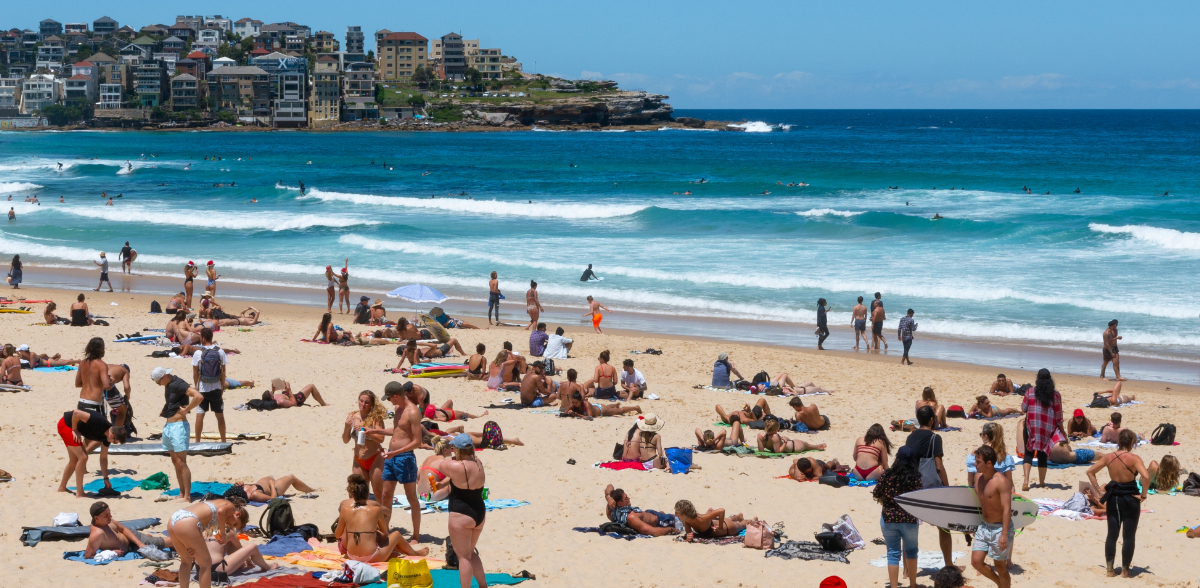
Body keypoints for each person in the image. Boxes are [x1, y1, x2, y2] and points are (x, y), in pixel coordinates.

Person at [1087, 429, 1149, 577]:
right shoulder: (1134, 458)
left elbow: (1090, 471)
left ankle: (1109, 570)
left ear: (1119, 441)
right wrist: (1143, 495)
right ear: (1133, 442)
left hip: (1114, 497)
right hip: (1130, 497)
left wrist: (1099, 491)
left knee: (1112, 534)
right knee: (1128, 536)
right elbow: (1146, 477)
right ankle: (1125, 571)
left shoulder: (1109, 457)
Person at [366, 382, 424, 539]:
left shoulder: (413, 412)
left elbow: (417, 441)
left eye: (390, 398)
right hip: (391, 456)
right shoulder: (398, 409)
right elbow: (397, 430)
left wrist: (396, 452)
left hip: (405, 458)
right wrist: (374, 430)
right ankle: (385, 531)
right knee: (386, 495)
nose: (389, 401)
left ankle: (416, 535)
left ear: (396, 396)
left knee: (411, 497)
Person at [906, 405, 954, 568]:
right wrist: (947, 488)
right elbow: (939, 466)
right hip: (931, 488)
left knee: (910, 531)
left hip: (913, 486)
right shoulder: (935, 438)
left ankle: (906, 570)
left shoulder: (911, 437)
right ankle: (948, 565)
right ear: (932, 420)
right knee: (944, 528)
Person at [167, 498, 250, 588]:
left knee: (186, 561)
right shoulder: (231, 507)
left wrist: (190, 546)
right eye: (235, 524)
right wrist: (223, 534)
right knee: (206, 564)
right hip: (188, 520)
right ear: (237, 514)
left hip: (174, 519)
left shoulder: (215, 505)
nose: (231, 525)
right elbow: (221, 512)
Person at [872, 446, 922, 588]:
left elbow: (876, 493)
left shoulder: (887, 475)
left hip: (889, 518)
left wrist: (886, 501)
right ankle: (913, 584)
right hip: (909, 519)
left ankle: (894, 586)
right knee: (912, 551)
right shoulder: (915, 478)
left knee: (893, 553)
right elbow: (919, 499)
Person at [444, 434, 488, 587]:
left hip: (461, 514)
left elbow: (439, 464)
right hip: (479, 512)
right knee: (470, 553)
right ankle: (483, 585)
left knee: (463, 558)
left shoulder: (457, 466)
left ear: (457, 449)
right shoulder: (478, 463)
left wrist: (448, 454)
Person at [153, 367, 202, 502]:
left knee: (181, 462)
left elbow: (198, 396)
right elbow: (172, 401)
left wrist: (187, 409)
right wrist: (164, 410)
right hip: (169, 426)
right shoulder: (169, 384)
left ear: (164, 376)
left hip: (179, 427)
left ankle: (187, 496)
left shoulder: (178, 383)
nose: (158, 384)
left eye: (158, 382)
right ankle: (181, 492)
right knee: (175, 461)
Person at [971, 445, 1014, 588]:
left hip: (999, 528)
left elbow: (1007, 509)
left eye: (978, 462)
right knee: (976, 562)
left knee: (1000, 567)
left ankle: (1003, 584)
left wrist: (1004, 534)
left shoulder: (1001, 482)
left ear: (989, 463)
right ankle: (999, 583)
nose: (974, 464)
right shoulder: (978, 478)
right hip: (984, 526)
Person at [57, 409, 122, 497]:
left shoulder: (107, 438)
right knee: (83, 457)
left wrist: (106, 478)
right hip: (66, 425)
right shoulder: (99, 422)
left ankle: (62, 487)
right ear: (112, 435)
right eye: (114, 442)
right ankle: (80, 492)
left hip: (68, 427)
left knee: (74, 460)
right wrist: (75, 429)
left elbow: (103, 458)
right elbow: (76, 413)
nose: (113, 443)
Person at [1020, 368, 1065, 491]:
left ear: (1038, 379)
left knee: (1028, 453)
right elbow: (1058, 416)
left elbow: (1023, 408)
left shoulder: (1029, 392)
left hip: (1031, 427)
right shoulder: (1055, 395)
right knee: (1042, 455)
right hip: (1046, 429)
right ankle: (1041, 483)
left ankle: (1026, 481)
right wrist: (1063, 432)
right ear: (1050, 380)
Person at [84, 501, 173, 560]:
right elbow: (88, 556)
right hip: (130, 548)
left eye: (109, 513)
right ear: (96, 518)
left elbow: (123, 529)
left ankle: (147, 538)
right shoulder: (97, 534)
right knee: (157, 546)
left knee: (167, 542)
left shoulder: (108, 521)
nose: (110, 516)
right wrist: (111, 553)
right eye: (106, 515)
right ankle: (147, 537)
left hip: (132, 538)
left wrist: (140, 544)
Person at [344, 390, 388, 501]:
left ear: (372, 404)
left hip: (375, 458)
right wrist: (347, 427)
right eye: (361, 401)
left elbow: (381, 438)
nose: (363, 404)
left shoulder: (375, 418)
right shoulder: (352, 417)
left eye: (367, 402)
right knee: (357, 494)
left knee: (378, 494)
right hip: (358, 459)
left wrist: (368, 432)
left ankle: (380, 517)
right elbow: (345, 440)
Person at [604, 484, 677, 536]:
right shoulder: (631, 517)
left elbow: (609, 486)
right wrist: (670, 529)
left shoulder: (610, 509)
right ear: (619, 504)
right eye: (626, 498)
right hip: (661, 521)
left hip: (648, 513)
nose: (629, 498)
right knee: (679, 518)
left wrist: (608, 497)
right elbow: (653, 532)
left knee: (661, 512)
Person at [674, 499, 751, 542]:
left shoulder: (702, 518)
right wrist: (688, 537)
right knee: (727, 519)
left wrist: (720, 527)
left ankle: (752, 520)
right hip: (714, 522)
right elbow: (688, 534)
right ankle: (738, 516)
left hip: (726, 527)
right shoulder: (687, 521)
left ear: (684, 515)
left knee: (741, 525)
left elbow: (722, 510)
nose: (675, 515)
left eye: (677, 513)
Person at [757, 416, 826, 454]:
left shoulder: (760, 435)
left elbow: (761, 451)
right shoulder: (775, 437)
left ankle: (817, 446)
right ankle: (817, 446)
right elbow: (778, 452)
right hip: (793, 447)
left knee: (807, 445)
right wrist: (785, 442)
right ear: (774, 430)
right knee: (807, 445)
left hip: (791, 445)